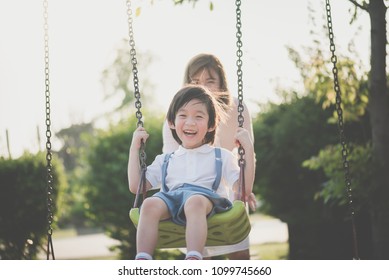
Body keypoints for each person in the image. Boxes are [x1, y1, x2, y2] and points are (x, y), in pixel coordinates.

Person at [128, 85, 255, 260]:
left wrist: (248, 148)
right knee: (149, 204)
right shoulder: (165, 160)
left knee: (194, 202)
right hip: (171, 200)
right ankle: (143, 258)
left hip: (205, 200)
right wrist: (134, 149)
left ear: (211, 125)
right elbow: (136, 186)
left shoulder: (221, 156)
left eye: (199, 116)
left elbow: (244, 189)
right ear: (171, 122)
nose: (190, 122)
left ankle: (194, 257)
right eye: (183, 115)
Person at [162, 53, 256, 259]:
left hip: (230, 185)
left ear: (222, 83)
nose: (203, 87)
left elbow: (247, 155)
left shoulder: (238, 108)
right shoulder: (178, 117)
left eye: (210, 81)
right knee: (201, 253)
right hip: (192, 190)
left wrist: (244, 188)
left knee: (239, 251)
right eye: (195, 82)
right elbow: (170, 160)